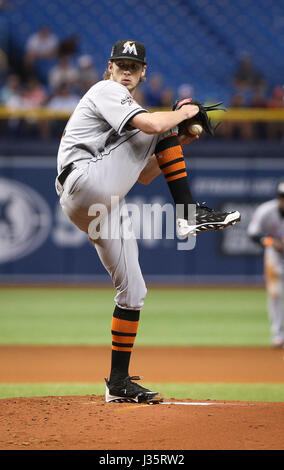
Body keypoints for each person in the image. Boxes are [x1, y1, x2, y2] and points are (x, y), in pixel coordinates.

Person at [55, 39, 240, 404]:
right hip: (84, 181)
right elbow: (154, 125)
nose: (125, 71)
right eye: (120, 65)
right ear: (109, 68)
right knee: (160, 121)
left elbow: (145, 174)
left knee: (133, 292)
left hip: (100, 203)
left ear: (143, 73)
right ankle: (188, 214)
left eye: (133, 67)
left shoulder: (130, 111)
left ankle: (119, 383)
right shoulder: (105, 90)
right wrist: (184, 113)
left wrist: (180, 136)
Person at [248, 182, 284, 348]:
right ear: (278, 198)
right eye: (282, 197)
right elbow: (253, 234)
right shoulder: (266, 211)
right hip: (274, 256)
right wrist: (271, 242)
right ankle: (278, 336)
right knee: (275, 294)